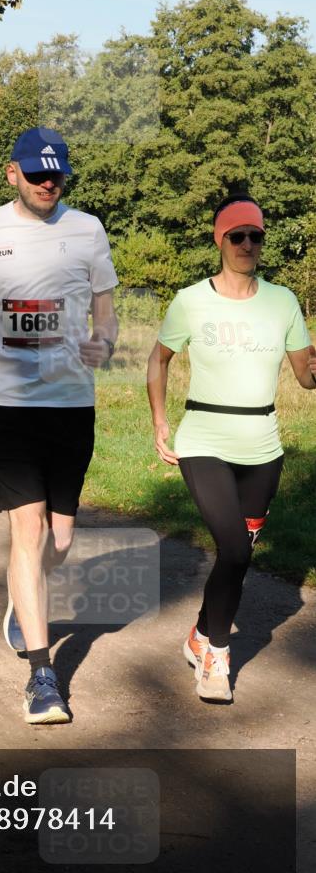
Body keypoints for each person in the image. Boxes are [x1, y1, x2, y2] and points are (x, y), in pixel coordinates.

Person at [0, 127, 119, 724]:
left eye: (57, 174)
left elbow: (104, 304)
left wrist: (106, 341)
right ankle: (42, 678)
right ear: (12, 172)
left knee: (59, 541)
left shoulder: (87, 229)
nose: (49, 183)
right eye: (37, 173)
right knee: (28, 531)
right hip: (4, 405)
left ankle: (24, 597)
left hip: (71, 405)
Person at [147, 193, 315, 703]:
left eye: (256, 236)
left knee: (238, 558)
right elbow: (159, 361)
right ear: (220, 239)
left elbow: (305, 378)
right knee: (235, 548)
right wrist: (160, 420)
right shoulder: (191, 300)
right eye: (237, 235)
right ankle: (217, 657)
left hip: (263, 445)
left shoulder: (283, 301)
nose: (247, 244)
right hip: (204, 438)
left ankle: (200, 633)